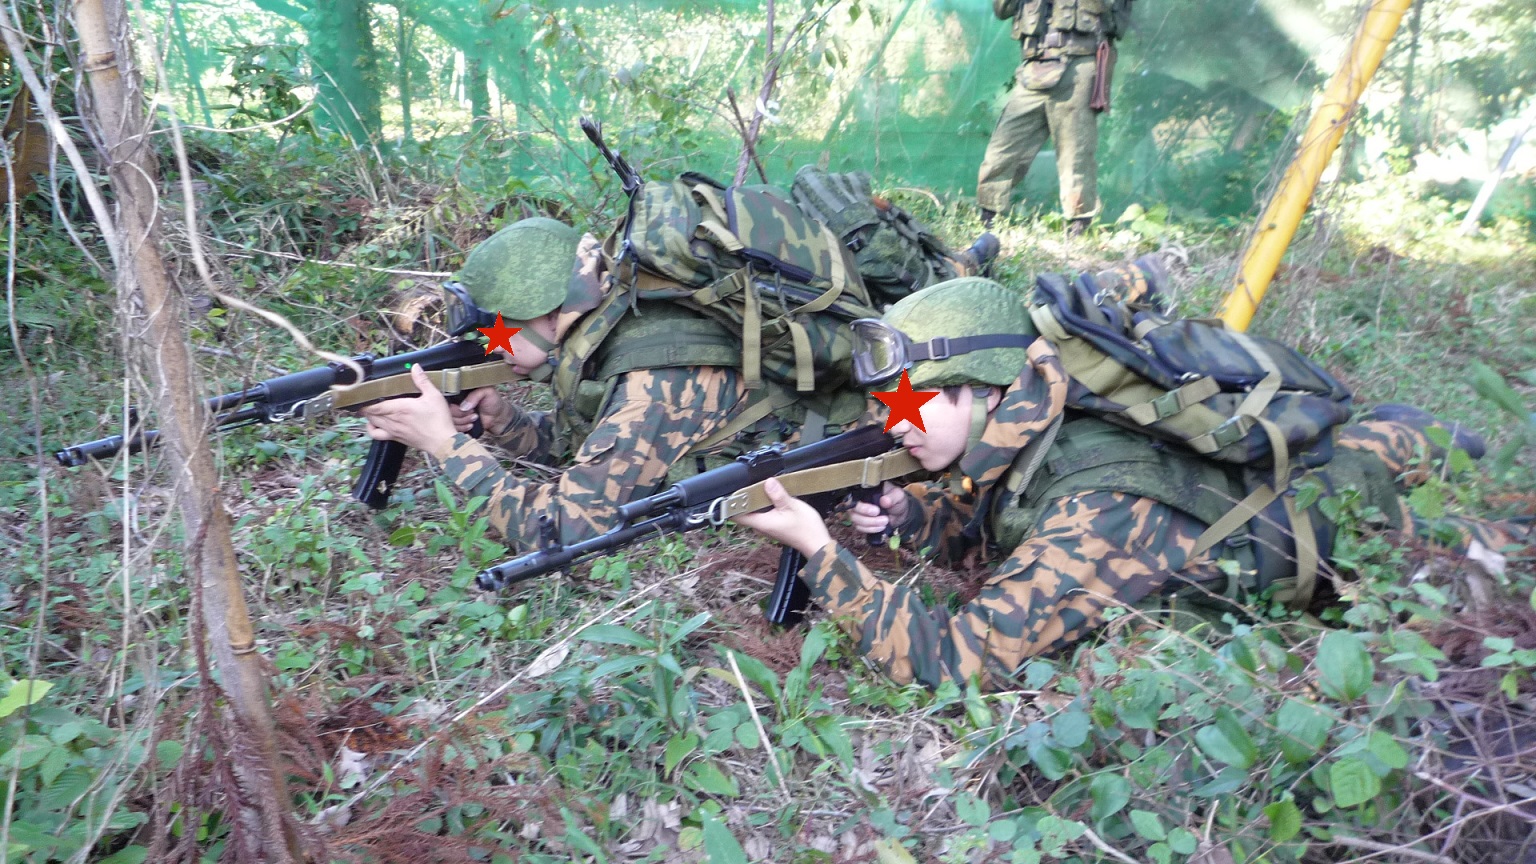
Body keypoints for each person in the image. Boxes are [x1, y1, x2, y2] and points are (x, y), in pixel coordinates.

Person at [735, 277, 1529, 690]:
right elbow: (1001, 522)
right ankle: (1399, 434)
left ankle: (1419, 447)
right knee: (1369, 449)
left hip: (1332, 531)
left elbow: (957, 662)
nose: (892, 421)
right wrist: (916, 519)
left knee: (1488, 549)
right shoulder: (1038, 422)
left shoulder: (1097, 506)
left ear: (985, 390)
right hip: (1236, 494)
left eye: (911, 400)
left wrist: (821, 554)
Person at [358, 217, 869, 551]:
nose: (490, 344)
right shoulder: (620, 316)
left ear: (547, 314)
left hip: (845, 444)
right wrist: (503, 421)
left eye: (496, 326)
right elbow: (594, 447)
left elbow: (564, 529)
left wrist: (445, 446)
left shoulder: (652, 379)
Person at [977, 0, 1134, 236]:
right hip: (1034, 66)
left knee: (1075, 150)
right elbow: (1002, 10)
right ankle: (989, 213)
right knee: (1005, 144)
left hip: (1078, 62)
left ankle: (1079, 223)